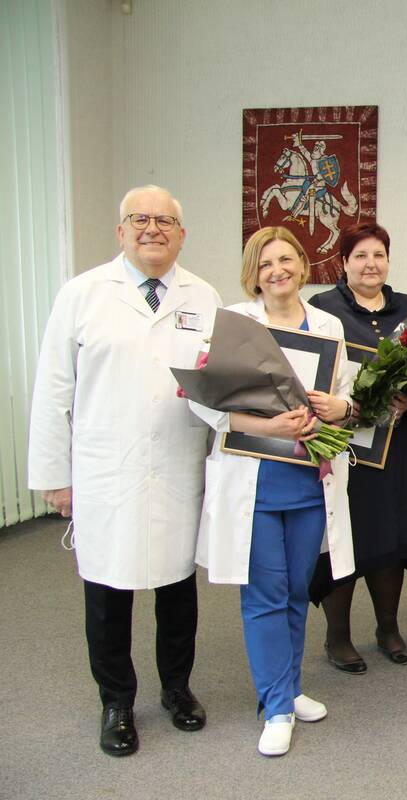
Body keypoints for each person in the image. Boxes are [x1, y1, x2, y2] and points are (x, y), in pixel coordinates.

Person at [28, 185, 220, 757]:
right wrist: (55, 475)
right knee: (108, 589)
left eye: (165, 221)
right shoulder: (82, 294)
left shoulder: (204, 296)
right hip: (107, 470)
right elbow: (53, 391)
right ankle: (116, 701)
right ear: (120, 231)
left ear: (182, 235)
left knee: (177, 587)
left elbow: (220, 385)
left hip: (179, 464)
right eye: (140, 219)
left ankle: (176, 688)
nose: (152, 229)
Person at [190, 227, 354, 757]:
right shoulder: (234, 323)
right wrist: (267, 427)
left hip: (310, 482)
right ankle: (276, 706)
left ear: (303, 266)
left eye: (286, 259)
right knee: (264, 593)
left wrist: (340, 408)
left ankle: (289, 686)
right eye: (265, 264)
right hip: (255, 484)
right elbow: (202, 401)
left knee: (295, 591)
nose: (277, 270)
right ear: (252, 275)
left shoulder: (327, 324)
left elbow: (345, 395)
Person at [309, 222, 407, 672]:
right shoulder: (323, 308)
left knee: (392, 532)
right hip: (345, 443)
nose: (371, 264)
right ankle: (338, 636)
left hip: (401, 441)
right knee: (346, 534)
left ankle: (388, 627)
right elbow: (314, 371)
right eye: (360, 255)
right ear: (343, 262)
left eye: (379, 255)